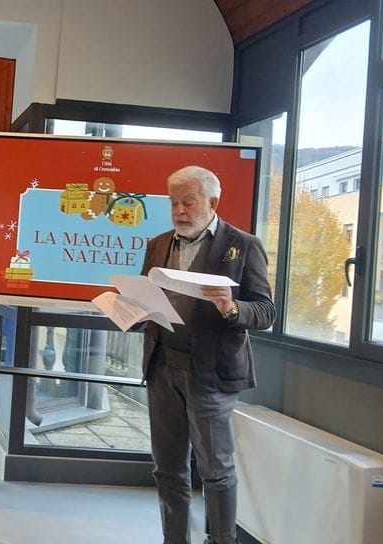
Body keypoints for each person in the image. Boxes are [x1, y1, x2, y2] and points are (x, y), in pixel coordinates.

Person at [140, 166, 276, 544]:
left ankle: (220, 540)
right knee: (167, 469)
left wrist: (233, 309)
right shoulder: (159, 244)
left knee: (215, 469)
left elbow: (265, 311)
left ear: (213, 202)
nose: (179, 211)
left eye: (188, 202)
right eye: (173, 203)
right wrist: (131, 308)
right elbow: (147, 298)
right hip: (163, 366)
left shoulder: (243, 245)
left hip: (211, 374)